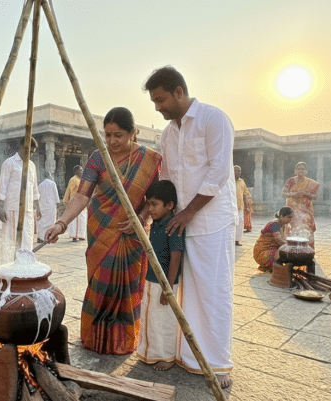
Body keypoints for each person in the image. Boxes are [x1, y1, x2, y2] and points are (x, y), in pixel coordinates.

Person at [145, 66, 236, 388]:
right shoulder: (168, 133)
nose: (158, 107)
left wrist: (188, 213)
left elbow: (219, 173)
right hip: (179, 222)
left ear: (179, 92)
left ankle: (218, 363)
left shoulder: (214, 119)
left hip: (211, 221)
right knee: (184, 291)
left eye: (161, 100)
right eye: (154, 102)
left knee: (213, 292)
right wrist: (156, 212)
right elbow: (167, 178)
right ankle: (187, 355)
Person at [45, 107, 161, 355]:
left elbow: (153, 200)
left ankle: (123, 339)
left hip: (132, 233)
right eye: (107, 135)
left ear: (133, 133)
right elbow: (81, 195)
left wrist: (140, 218)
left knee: (127, 288)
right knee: (100, 283)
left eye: (118, 135)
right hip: (100, 229)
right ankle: (95, 338)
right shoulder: (98, 158)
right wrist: (60, 224)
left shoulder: (149, 159)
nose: (111, 141)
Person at [135, 180, 184, 371]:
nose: (151, 209)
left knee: (164, 320)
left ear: (169, 205)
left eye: (154, 204)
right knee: (151, 317)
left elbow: (176, 257)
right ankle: (150, 351)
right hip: (151, 279)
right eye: (148, 204)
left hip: (164, 283)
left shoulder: (173, 226)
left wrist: (168, 287)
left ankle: (167, 355)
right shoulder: (156, 224)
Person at [0, 137, 41, 263]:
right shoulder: (9, 163)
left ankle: (25, 264)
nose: (31, 154)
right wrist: (0, 207)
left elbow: (34, 188)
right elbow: (2, 185)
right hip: (12, 208)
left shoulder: (32, 166)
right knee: (11, 238)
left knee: (27, 238)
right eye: (30, 151)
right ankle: (9, 264)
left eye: (33, 152)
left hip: (27, 209)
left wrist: (38, 207)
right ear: (22, 148)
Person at [282, 161, 320, 248]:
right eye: (299, 169)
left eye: (303, 169)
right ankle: (291, 249)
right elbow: (283, 193)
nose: (301, 171)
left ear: (306, 171)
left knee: (307, 226)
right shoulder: (291, 180)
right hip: (292, 209)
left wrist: (307, 194)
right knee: (292, 228)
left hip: (306, 209)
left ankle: (307, 249)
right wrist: (293, 194)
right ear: (295, 171)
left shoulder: (311, 182)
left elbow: (316, 196)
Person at [253, 207, 293, 272]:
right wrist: (292, 245)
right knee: (283, 252)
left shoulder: (284, 226)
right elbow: (279, 241)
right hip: (262, 253)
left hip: (272, 250)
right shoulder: (274, 224)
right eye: (289, 217)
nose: (290, 219)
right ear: (282, 216)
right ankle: (272, 266)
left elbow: (286, 238)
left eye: (291, 217)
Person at [63, 165, 87, 241]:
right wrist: (66, 200)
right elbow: (69, 191)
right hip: (75, 203)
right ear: (76, 172)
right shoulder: (73, 179)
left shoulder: (83, 180)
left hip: (82, 203)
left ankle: (81, 235)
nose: (82, 171)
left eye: (82, 170)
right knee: (75, 221)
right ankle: (74, 236)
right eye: (80, 170)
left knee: (82, 220)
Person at [36, 172, 60, 242]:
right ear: (49, 176)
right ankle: (49, 236)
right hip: (51, 205)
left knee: (42, 222)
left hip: (42, 205)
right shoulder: (52, 183)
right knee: (51, 222)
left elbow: (38, 196)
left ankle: (40, 237)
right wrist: (58, 203)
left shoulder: (40, 185)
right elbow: (56, 195)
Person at [234, 165, 250, 246]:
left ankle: (237, 240)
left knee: (240, 223)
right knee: (232, 223)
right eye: (236, 170)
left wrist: (247, 206)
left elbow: (244, 194)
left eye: (239, 171)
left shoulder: (242, 181)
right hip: (231, 207)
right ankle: (230, 240)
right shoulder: (229, 181)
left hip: (240, 206)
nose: (238, 172)